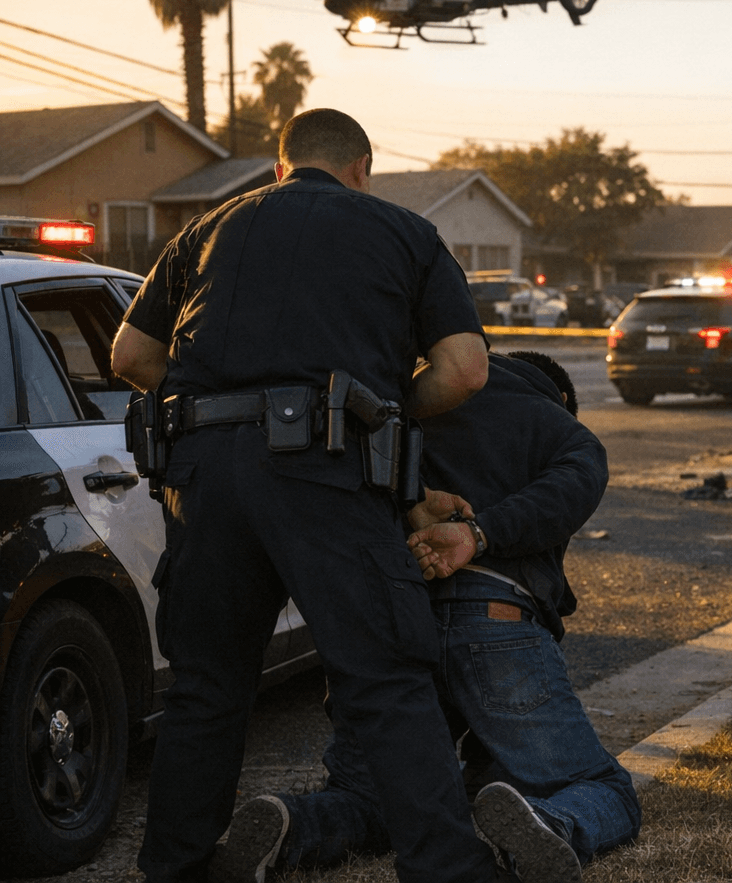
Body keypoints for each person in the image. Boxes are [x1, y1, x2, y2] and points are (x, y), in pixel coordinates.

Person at [111, 109, 498, 883]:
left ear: (280, 168)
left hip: (205, 478)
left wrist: (221, 411)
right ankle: (450, 871)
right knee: (386, 680)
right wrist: (374, 408)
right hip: (327, 470)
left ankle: (175, 870)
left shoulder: (206, 229)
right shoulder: (405, 233)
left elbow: (130, 353)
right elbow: (464, 370)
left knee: (206, 689)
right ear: (361, 169)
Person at [209, 352, 641, 883]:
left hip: (392, 617)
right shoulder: (556, 422)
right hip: (495, 618)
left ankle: (294, 826)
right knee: (602, 787)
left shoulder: (408, 398)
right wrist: (480, 533)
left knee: (370, 794)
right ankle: (553, 821)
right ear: (562, 398)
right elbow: (577, 479)